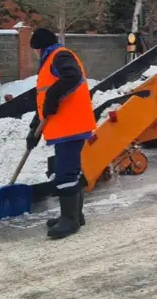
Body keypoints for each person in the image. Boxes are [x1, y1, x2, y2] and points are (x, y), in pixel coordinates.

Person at [26, 27, 97, 239]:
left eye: (35, 49)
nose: (34, 53)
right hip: (66, 126)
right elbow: (44, 101)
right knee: (71, 170)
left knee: (65, 173)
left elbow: (72, 76)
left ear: (40, 47)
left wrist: (52, 98)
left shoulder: (60, 56)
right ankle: (75, 215)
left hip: (71, 126)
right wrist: (33, 129)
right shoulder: (51, 60)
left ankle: (70, 220)